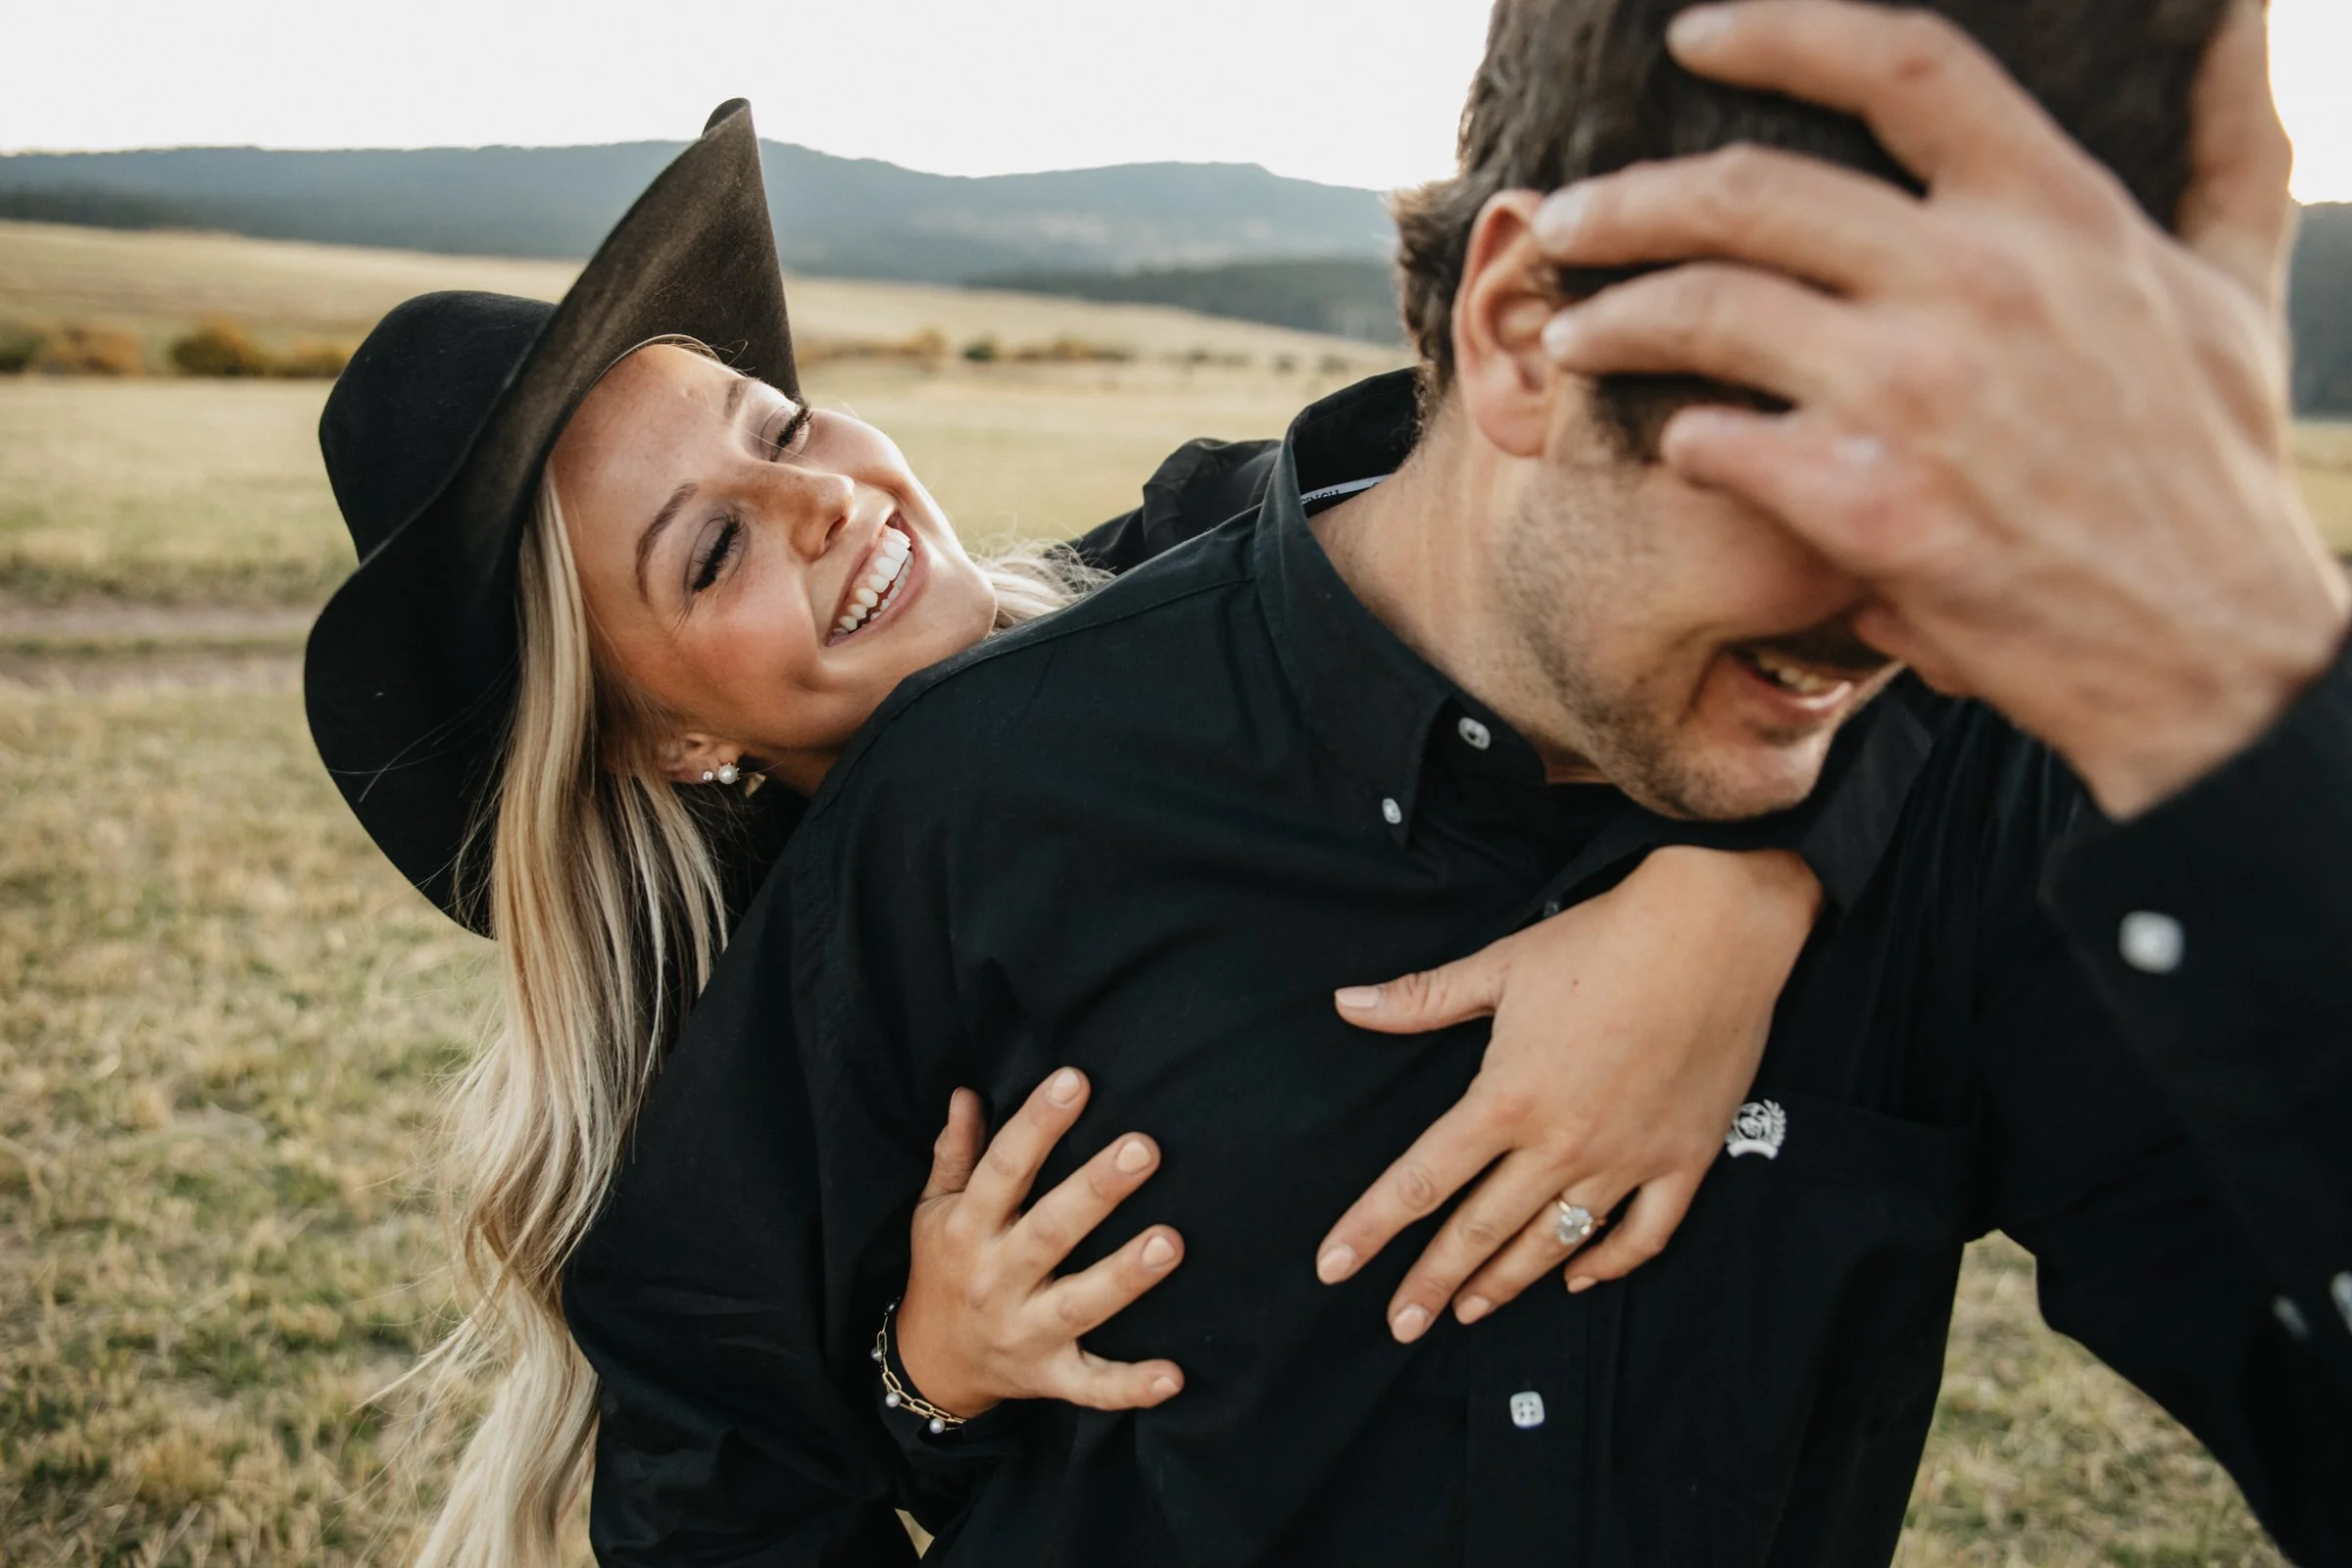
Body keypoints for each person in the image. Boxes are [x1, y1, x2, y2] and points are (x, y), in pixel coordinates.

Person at [705, 0, 2352, 1562]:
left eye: (2025, 496)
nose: (1932, 621)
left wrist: (2243, 689)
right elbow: (714, 1460)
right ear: (1525, 335)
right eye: (1843, 463)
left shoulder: (1976, 807)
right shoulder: (987, 790)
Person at [304, 106, 1915, 1566]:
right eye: (713, 548)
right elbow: (726, 1469)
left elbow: (1695, 571)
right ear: (669, 734)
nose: (822, 498)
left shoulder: (1234, 562)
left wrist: (1745, 885)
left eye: (781, 425)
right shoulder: (792, 1010)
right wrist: (921, 1372)